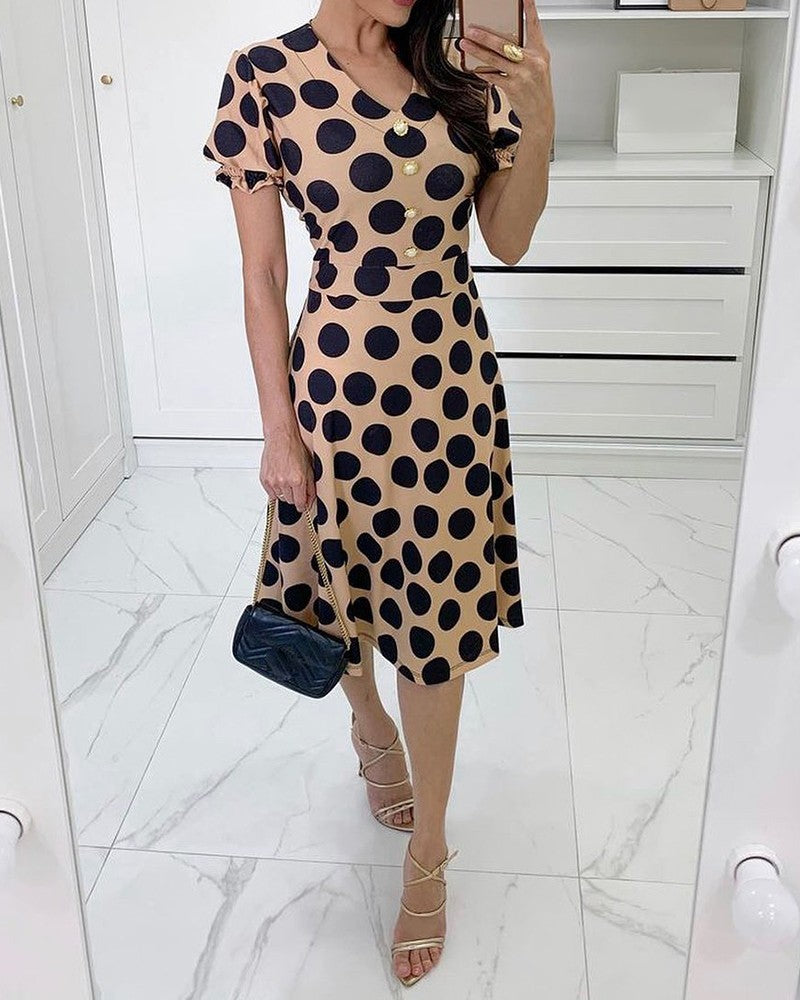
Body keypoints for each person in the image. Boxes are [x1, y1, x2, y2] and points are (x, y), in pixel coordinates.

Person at [202, 0, 553, 986]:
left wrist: (538, 119)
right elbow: (263, 274)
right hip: (333, 392)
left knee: (435, 626)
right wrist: (278, 430)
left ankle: (428, 848)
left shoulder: (460, 62)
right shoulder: (262, 76)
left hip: (448, 390)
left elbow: (508, 239)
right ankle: (367, 725)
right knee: (335, 596)